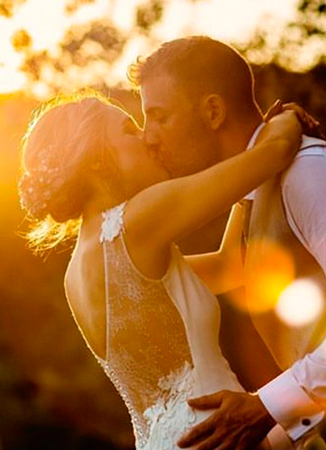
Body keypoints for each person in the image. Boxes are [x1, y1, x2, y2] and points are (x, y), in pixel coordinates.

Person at [19, 91, 302, 450]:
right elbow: (276, 152)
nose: (147, 138)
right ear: (94, 159)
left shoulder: (78, 271)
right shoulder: (136, 219)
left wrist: (248, 192)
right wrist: (285, 120)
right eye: (129, 129)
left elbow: (229, 267)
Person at [129, 36, 326, 450]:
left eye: (159, 117)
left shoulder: (307, 174)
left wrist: (266, 406)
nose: (148, 137)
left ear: (213, 111)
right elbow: (224, 268)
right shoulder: (257, 190)